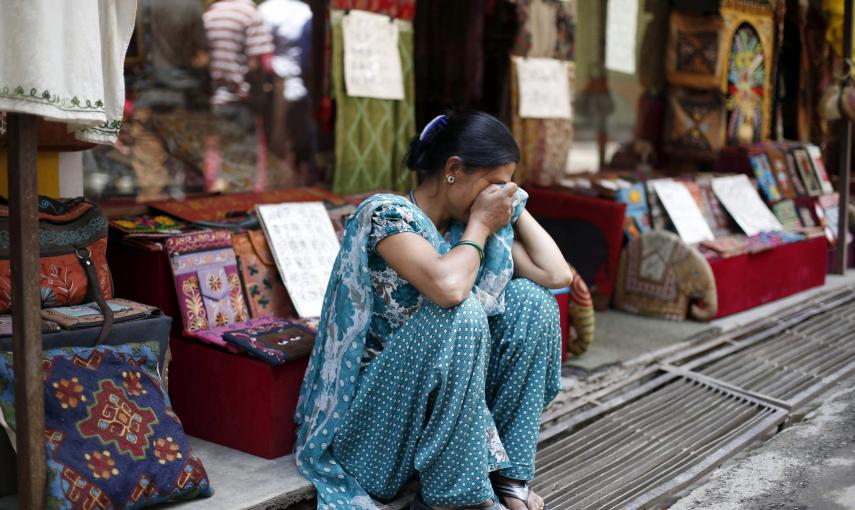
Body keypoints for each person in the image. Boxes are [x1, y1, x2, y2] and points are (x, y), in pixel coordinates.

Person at [295, 111, 573, 510]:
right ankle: (458, 499)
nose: (499, 195)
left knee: (534, 303)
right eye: (493, 183)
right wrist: (481, 221)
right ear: (453, 170)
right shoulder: (387, 216)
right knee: (461, 312)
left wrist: (513, 205)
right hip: (376, 439)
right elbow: (449, 287)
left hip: (441, 438)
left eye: (507, 185)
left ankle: (507, 477)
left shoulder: (467, 231)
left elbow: (555, 272)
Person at [202, 0, 274, 191]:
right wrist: (260, 96)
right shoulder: (249, 14)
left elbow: (203, 59)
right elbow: (256, 63)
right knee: (243, 163)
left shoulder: (210, 15)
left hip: (217, 99)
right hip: (242, 100)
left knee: (220, 157)